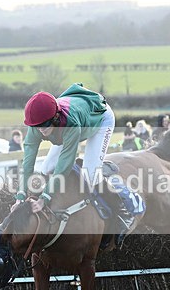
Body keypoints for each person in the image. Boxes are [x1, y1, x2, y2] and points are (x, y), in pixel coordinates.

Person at [15, 83, 145, 244]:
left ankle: (123, 209)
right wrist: (20, 197)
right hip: (72, 119)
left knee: (90, 175)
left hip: (100, 120)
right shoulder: (38, 125)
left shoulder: (71, 124)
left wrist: (44, 199)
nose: (40, 129)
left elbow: (63, 166)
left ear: (55, 118)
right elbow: (27, 163)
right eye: (36, 126)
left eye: (44, 125)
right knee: (46, 167)